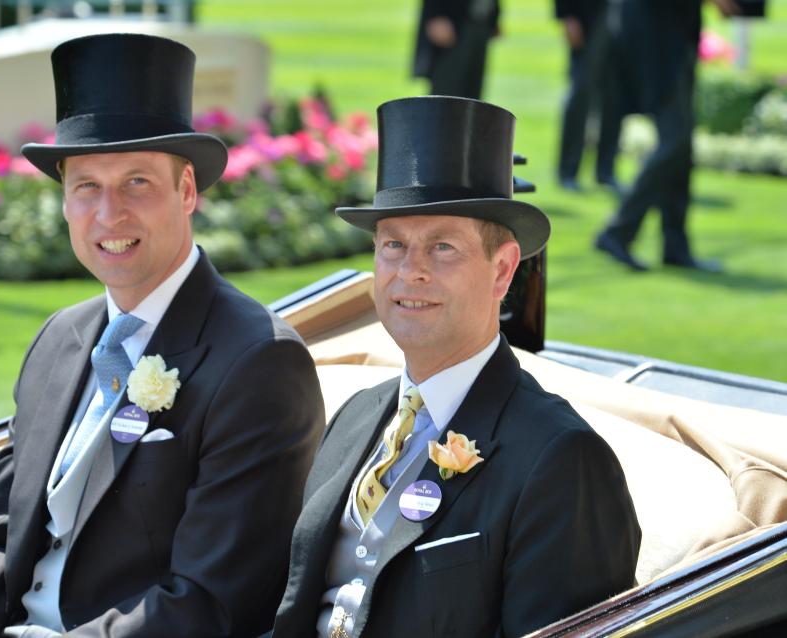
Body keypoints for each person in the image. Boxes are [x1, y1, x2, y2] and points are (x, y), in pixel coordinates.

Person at [0, 33, 325, 638]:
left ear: (188, 191)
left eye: (137, 182)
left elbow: (208, 603)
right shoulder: (62, 337)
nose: (108, 213)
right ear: (64, 200)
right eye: (86, 184)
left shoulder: (259, 362)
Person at [269, 96, 641, 638]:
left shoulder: (560, 458)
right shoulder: (356, 416)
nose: (410, 272)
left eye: (442, 247)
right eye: (393, 244)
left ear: (503, 270)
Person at [594, 0, 738, 272]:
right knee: (675, 141)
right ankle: (618, 231)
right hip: (656, 45)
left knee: (681, 147)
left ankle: (676, 246)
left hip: (674, 38)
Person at [554, 0, 623, 192]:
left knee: (615, 98)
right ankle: (568, 171)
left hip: (621, 17)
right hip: (588, 18)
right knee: (581, 95)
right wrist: (567, 15)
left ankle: (606, 171)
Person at [412, 0, 500, 99]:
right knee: (446, 94)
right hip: (453, 22)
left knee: (472, 97)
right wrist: (435, 13)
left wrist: (494, 14)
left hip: (480, 21)